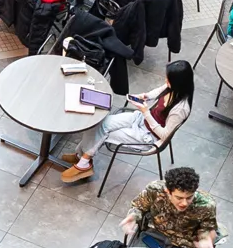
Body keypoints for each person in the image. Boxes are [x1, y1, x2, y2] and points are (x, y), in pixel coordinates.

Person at [60, 61, 193, 183]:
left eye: (168, 79)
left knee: (103, 133)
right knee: (99, 123)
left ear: (178, 82)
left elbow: (164, 135)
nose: (165, 81)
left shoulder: (181, 109)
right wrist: (144, 96)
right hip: (141, 119)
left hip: (148, 136)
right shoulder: (171, 87)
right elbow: (157, 92)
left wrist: (146, 112)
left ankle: (83, 163)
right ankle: (82, 157)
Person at [120, 165, 218, 248]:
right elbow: (138, 206)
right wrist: (133, 215)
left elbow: (207, 228)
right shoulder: (155, 190)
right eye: (179, 198)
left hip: (184, 246)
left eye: (189, 197)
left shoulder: (206, 204)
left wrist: (205, 238)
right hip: (154, 234)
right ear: (168, 191)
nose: (184, 203)